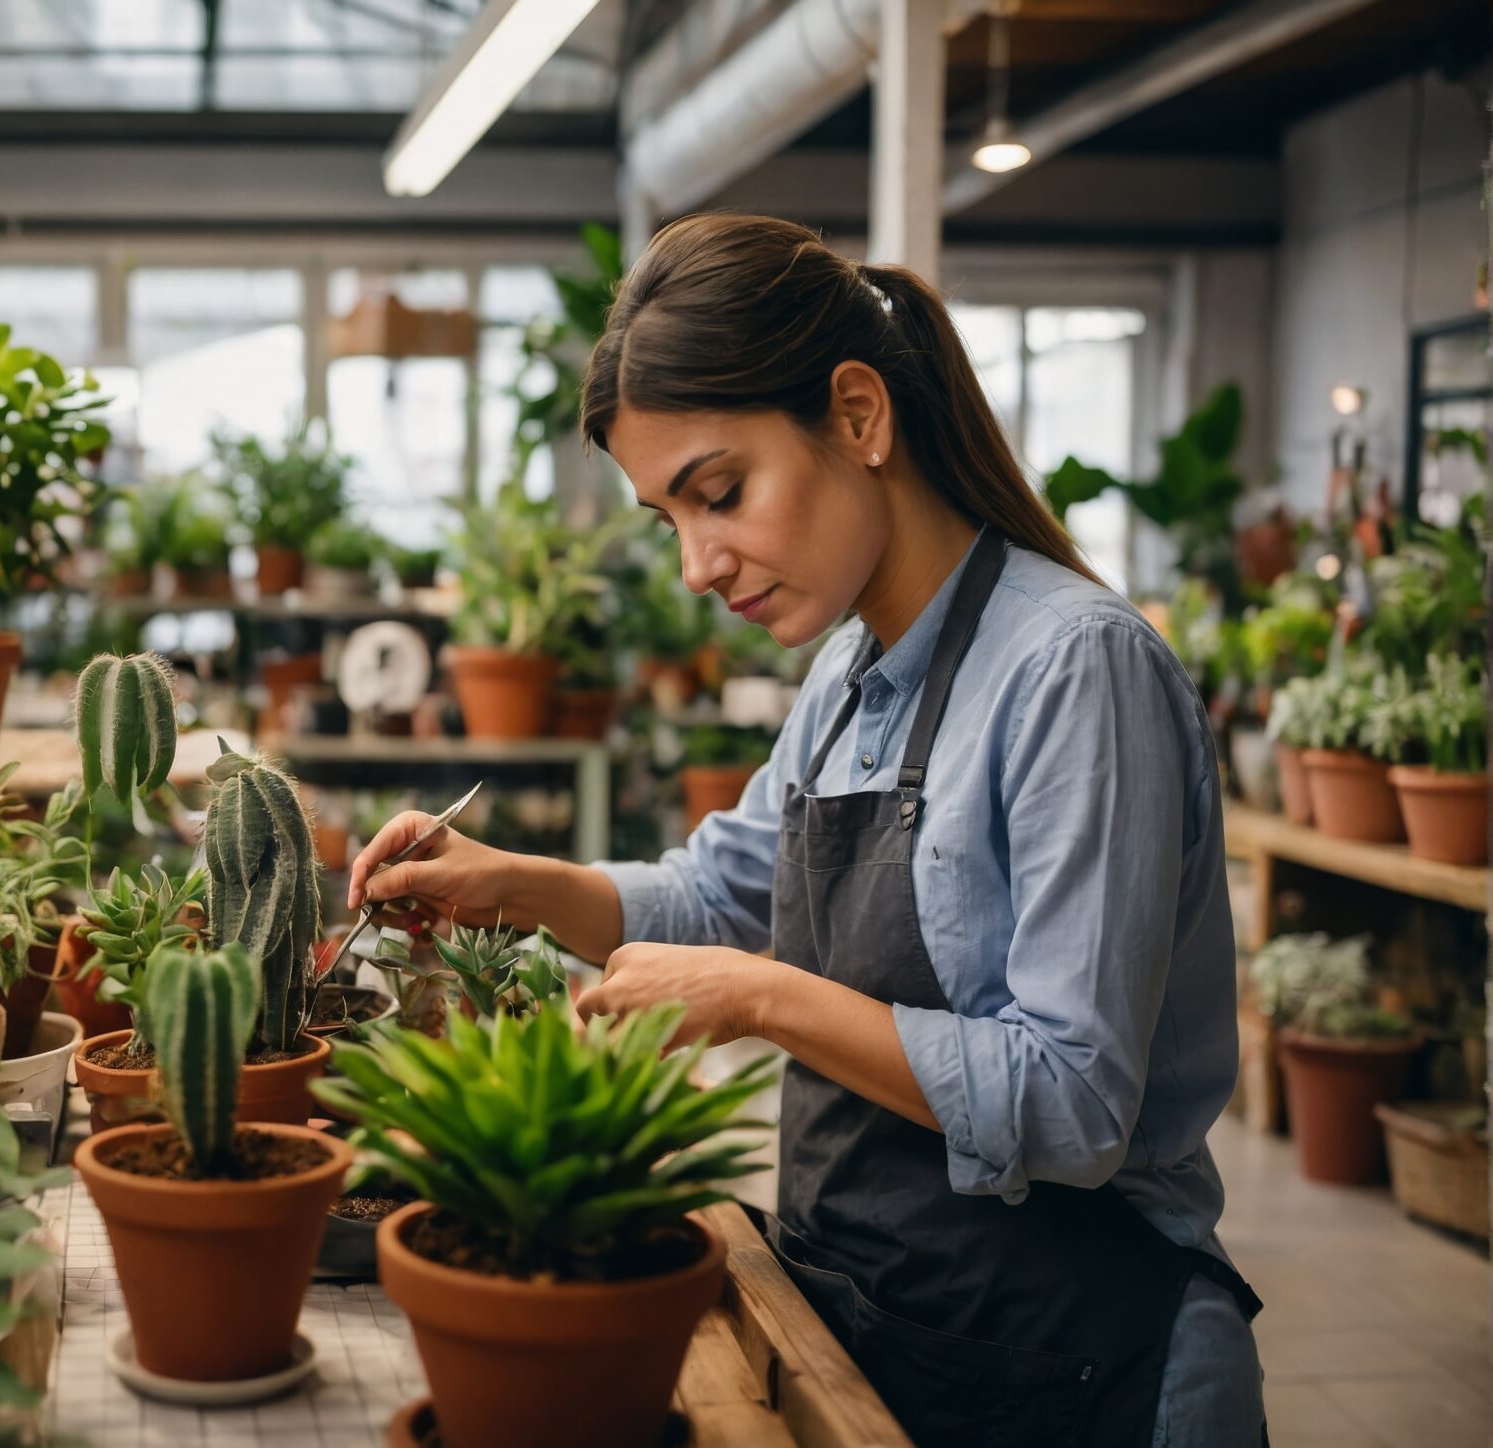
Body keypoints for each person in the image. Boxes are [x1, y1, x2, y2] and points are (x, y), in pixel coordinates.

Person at [348, 214, 1263, 1447]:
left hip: (1079, 1357)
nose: (694, 563)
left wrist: (762, 998)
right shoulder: (847, 675)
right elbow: (721, 893)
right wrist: (505, 883)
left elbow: (1075, 1098)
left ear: (859, 416)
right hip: (884, 1320)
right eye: (667, 517)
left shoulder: (1072, 671)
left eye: (717, 493)